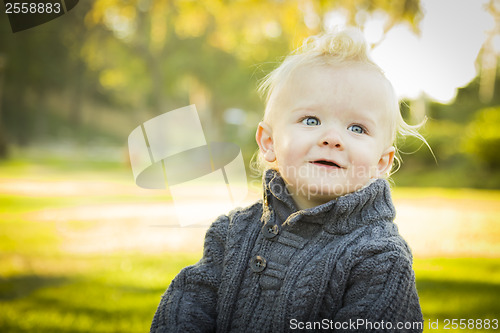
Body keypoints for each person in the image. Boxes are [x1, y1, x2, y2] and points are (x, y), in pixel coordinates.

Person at [150, 28, 425, 333]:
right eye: (311, 121)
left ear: (381, 163)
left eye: (357, 128)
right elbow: (187, 307)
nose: (332, 138)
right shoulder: (230, 235)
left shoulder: (379, 258)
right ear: (269, 142)